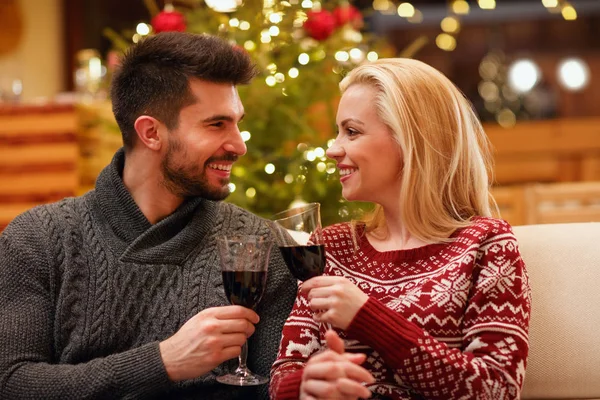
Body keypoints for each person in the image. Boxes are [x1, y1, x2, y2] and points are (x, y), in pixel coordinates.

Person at [0, 32, 296, 399]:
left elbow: (276, 388)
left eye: (237, 122)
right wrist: (163, 361)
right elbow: (12, 384)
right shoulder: (38, 239)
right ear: (151, 132)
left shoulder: (261, 247)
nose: (239, 144)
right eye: (217, 124)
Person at [270, 58, 532, 400]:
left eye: (351, 131)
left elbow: (495, 388)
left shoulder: (486, 244)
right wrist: (304, 385)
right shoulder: (329, 245)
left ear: (411, 140)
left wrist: (368, 317)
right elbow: (283, 373)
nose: (333, 149)